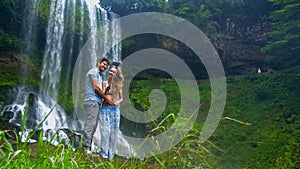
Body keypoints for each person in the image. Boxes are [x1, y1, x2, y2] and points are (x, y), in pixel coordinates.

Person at [82, 58, 115, 156]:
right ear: (98, 63)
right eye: (103, 64)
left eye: (106, 66)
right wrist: (107, 99)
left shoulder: (100, 76)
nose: (104, 67)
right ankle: (85, 148)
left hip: (96, 102)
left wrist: (110, 79)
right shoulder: (93, 72)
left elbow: (103, 91)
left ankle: (88, 148)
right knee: (90, 124)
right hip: (92, 101)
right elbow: (96, 88)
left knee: (93, 125)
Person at [99, 66, 124, 159]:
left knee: (114, 133)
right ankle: (104, 153)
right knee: (105, 132)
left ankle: (111, 155)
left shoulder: (118, 85)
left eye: (113, 72)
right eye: (110, 71)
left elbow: (121, 98)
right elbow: (101, 94)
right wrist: (106, 88)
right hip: (105, 109)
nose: (111, 73)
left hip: (114, 110)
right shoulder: (104, 83)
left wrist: (117, 102)